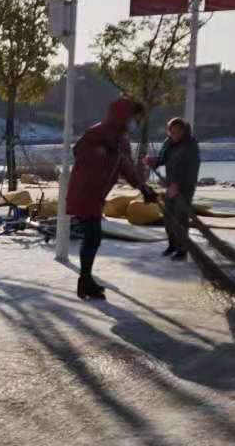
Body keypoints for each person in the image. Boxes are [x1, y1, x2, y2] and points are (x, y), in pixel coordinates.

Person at [65, 97, 155, 301]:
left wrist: (143, 188)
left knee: (93, 238)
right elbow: (79, 151)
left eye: (138, 120)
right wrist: (103, 150)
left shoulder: (122, 141)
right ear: (124, 115)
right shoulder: (99, 131)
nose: (135, 123)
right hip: (84, 190)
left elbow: (127, 168)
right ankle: (85, 281)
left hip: (97, 194)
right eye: (134, 118)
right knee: (92, 236)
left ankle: (86, 280)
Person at [146, 117, 202, 261]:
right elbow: (161, 159)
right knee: (168, 216)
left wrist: (178, 185)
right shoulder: (168, 143)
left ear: (184, 131)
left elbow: (191, 169)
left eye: (177, 132)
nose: (173, 134)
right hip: (171, 185)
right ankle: (172, 245)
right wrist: (152, 161)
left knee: (180, 216)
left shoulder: (191, 145)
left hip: (185, 186)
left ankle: (182, 249)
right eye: (171, 131)